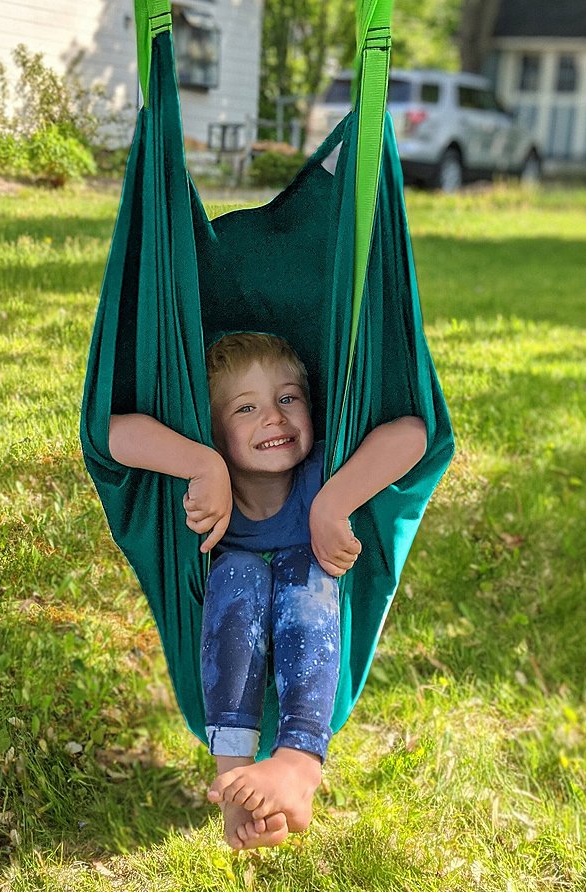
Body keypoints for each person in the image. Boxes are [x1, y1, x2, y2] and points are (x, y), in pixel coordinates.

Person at [107, 332, 427, 850]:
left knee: (309, 567)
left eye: (287, 398)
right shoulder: (206, 493)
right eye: (246, 408)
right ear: (212, 432)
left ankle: (299, 765)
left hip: (309, 628)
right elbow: (109, 432)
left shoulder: (324, 470)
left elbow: (414, 432)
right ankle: (235, 786)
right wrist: (201, 464)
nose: (273, 418)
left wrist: (332, 504)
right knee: (238, 570)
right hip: (236, 636)